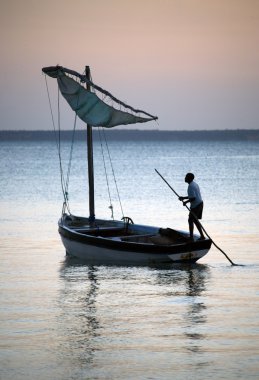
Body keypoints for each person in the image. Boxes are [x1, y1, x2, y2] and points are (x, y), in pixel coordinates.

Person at [178, 173, 205, 241]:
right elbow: (192, 196)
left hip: (196, 205)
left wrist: (186, 202)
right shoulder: (194, 184)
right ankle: (202, 236)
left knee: (190, 220)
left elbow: (193, 198)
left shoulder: (191, 186)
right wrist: (183, 198)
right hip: (200, 203)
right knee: (195, 220)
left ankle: (191, 237)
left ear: (189, 178)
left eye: (186, 177)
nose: (185, 178)